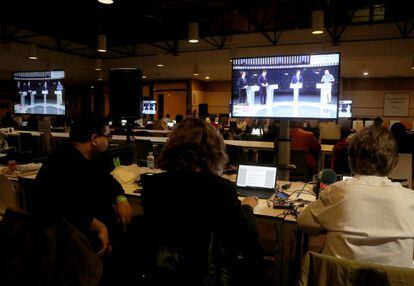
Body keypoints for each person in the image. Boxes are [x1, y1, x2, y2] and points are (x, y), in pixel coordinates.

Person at [142, 118, 263, 285]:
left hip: (164, 271)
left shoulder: (153, 184)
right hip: (205, 273)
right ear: (213, 151)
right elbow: (247, 236)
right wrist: (247, 206)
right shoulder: (221, 188)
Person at [298, 125, 414, 268]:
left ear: (350, 160)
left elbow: (304, 223)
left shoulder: (338, 192)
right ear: (394, 163)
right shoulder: (410, 200)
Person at [34, 113, 133, 266]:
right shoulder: (66, 162)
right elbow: (67, 209)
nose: (109, 139)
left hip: (72, 231)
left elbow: (108, 182)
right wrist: (100, 227)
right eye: (107, 135)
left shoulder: (84, 156)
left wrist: (121, 199)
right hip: (64, 241)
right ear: (94, 139)